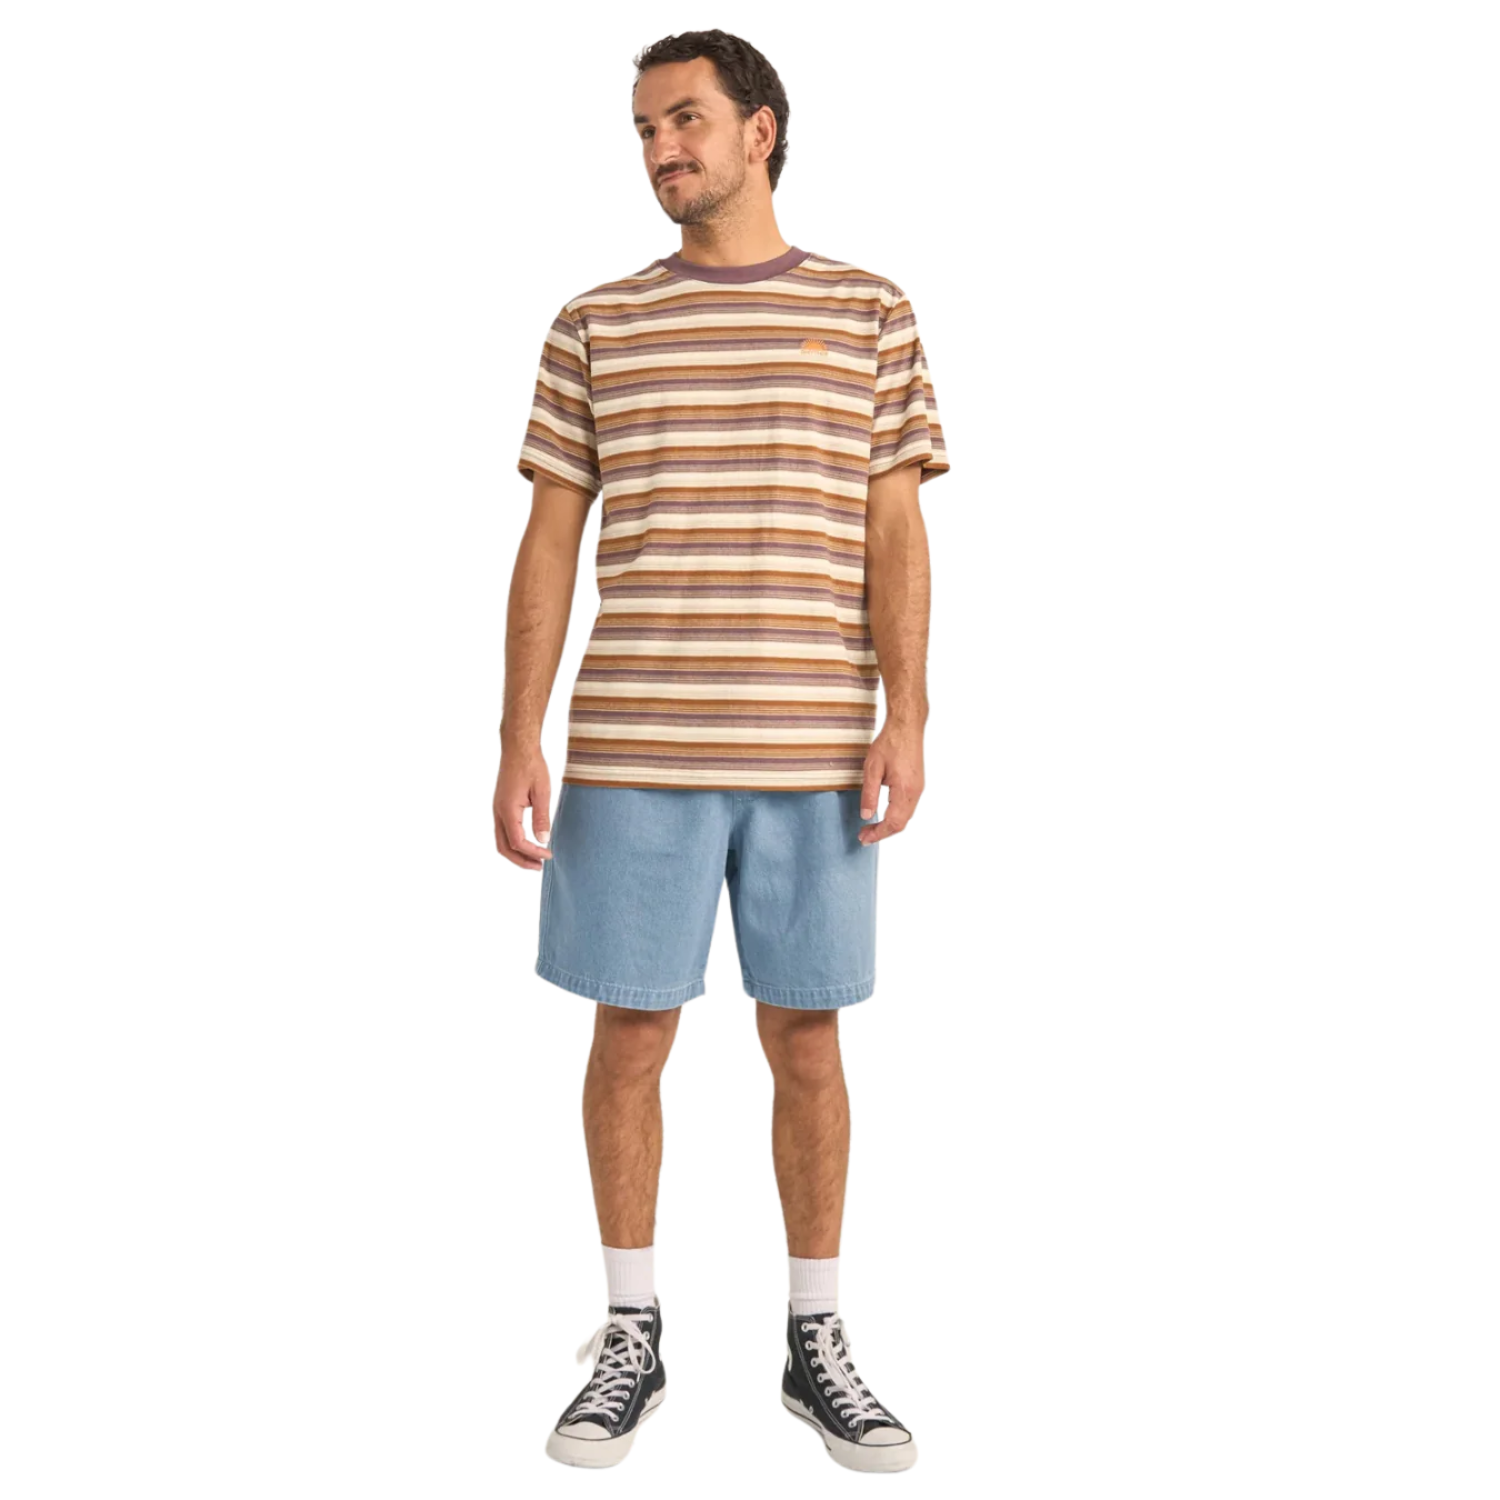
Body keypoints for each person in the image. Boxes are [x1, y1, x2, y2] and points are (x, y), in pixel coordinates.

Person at [494, 28, 949, 1473]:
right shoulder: (595, 324)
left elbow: (895, 528)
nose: (660, 149)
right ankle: (631, 1329)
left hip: (814, 749)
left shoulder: (869, 312)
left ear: (761, 130)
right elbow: (547, 542)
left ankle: (816, 1339)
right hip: (633, 747)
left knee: (807, 1037)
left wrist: (909, 714)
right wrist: (516, 733)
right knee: (629, 1036)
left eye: (684, 119)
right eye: (643, 129)